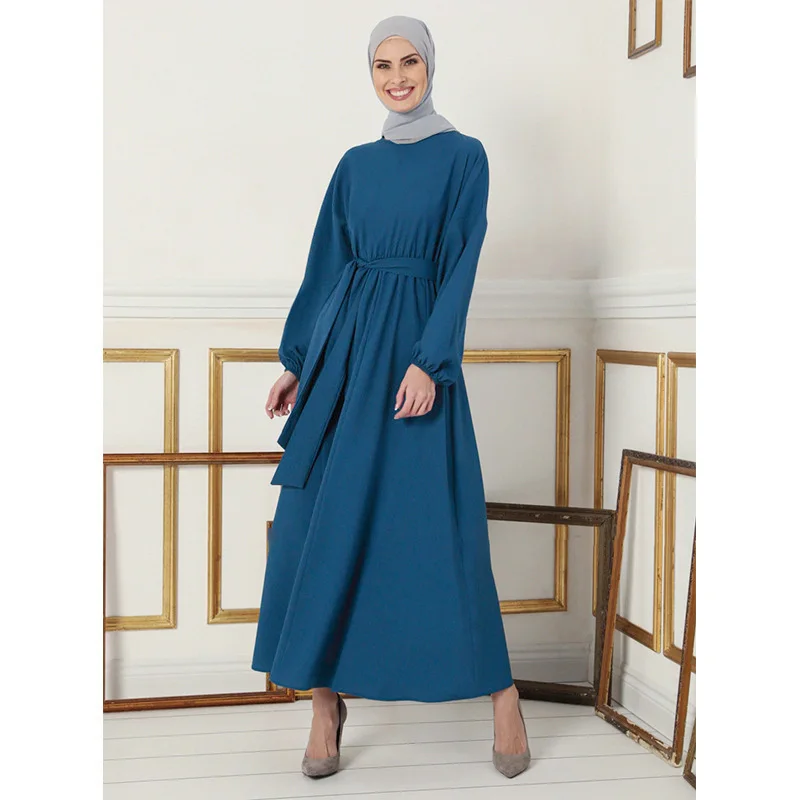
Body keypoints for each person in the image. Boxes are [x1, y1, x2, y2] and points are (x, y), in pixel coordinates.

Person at [252, 15, 531, 780]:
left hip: (413, 356)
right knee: (318, 524)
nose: (398, 77)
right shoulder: (354, 165)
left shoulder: (464, 157)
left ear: (430, 67)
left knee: (438, 528)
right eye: (383, 65)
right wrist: (299, 362)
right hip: (343, 360)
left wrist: (430, 362)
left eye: (410, 62)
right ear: (370, 73)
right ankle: (323, 703)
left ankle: (503, 696)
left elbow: (461, 262)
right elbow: (327, 263)